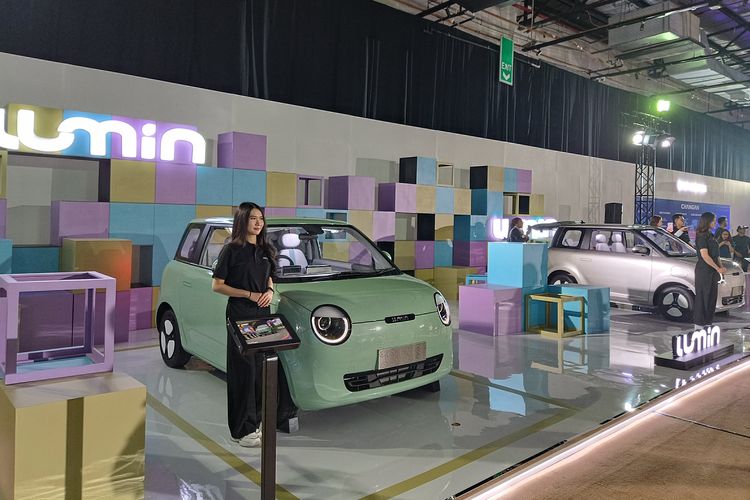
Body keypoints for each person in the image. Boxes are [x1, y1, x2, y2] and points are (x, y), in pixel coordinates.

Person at [211, 202, 280, 447]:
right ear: (243, 220)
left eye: (261, 218)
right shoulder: (231, 250)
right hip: (240, 313)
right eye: (253, 218)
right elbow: (217, 285)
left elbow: (270, 276)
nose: (258, 223)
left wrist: (269, 291)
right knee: (243, 371)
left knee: (260, 370)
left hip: (263, 313)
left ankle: (255, 423)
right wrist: (248, 294)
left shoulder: (266, 249)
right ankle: (241, 430)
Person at [694, 212, 726, 326]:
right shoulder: (701, 235)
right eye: (713, 221)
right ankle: (699, 325)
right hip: (704, 271)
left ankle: (708, 323)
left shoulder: (711, 235)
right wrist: (717, 268)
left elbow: (716, 255)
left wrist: (720, 268)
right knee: (703, 297)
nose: (715, 223)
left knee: (711, 298)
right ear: (707, 221)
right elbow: (705, 255)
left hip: (712, 271)